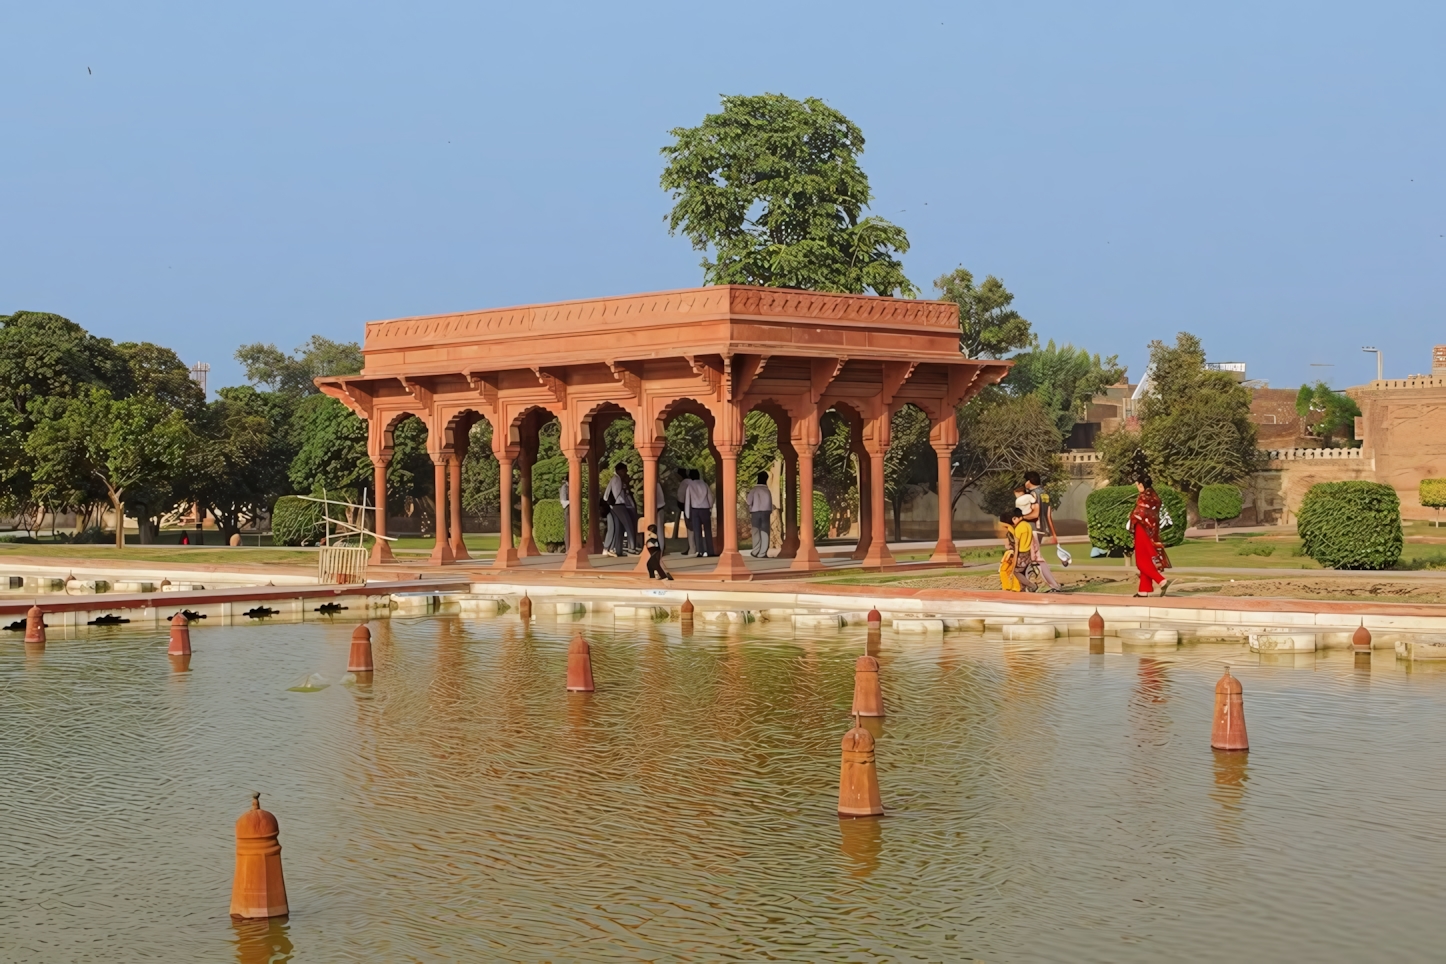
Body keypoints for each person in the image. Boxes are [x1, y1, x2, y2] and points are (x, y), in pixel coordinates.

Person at [1127, 471, 1172, 597]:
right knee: (1146, 559)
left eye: (1137, 484)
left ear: (1141, 485)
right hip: (1152, 531)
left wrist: (1131, 517)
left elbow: (1139, 514)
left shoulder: (1144, 497)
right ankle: (1143, 590)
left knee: (1141, 561)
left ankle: (1161, 581)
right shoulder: (1155, 497)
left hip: (1142, 529)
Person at [1016, 477, 1062, 592]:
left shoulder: (1033, 494)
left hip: (1034, 529)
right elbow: (1048, 515)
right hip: (1041, 528)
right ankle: (1025, 585)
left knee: (1036, 558)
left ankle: (1054, 586)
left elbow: (1035, 513)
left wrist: (1020, 518)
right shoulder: (1044, 494)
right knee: (1030, 558)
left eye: (1026, 480)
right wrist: (1053, 533)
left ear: (1029, 481)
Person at [604, 462, 638, 556]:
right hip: (618, 505)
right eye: (624, 470)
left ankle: (618, 550)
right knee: (629, 526)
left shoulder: (616, 479)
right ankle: (632, 548)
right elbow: (616, 494)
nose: (626, 472)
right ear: (620, 471)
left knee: (619, 528)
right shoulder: (616, 479)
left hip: (615, 506)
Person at [684, 468, 714, 557]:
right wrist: (710, 507)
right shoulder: (704, 484)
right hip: (705, 509)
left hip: (695, 510)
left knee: (697, 531)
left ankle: (700, 551)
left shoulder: (690, 485)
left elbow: (687, 500)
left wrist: (687, 514)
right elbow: (710, 497)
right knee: (708, 531)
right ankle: (710, 551)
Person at [1008, 507, 1039, 591]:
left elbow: (1017, 545)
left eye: (1014, 519)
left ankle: (1032, 586)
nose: (1013, 522)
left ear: (1017, 517)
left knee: (1015, 571)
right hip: (1028, 552)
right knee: (1022, 571)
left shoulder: (1018, 528)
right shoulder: (1028, 525)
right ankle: (1023, 588)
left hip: (1021, 553)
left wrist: (1014, 560)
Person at [746, 471, 773, 558]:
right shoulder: (767, 490)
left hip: (755, 512)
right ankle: (762, 553)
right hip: (766, 512)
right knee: (765, 532)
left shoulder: (754, 490)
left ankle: (755, 551)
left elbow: (748, 501)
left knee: (755, 531)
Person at [998, 510, 1022, 591]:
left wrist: (1011, 552)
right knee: (1005, 571)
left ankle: (1014, 587)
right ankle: (1009, 587)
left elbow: (1016, 543)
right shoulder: (1011, 529)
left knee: (1007, 570)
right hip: (1012, 552)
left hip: (1012, 553)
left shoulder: (1011, 530)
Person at [675, 471, 695, 555]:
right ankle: (692, 547)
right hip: (694, 506)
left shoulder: (684, 483)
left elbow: (680, 496)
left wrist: (681, 505)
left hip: (688, 507)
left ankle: (692, 548)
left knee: (690, 529)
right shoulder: (692, 482)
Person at [559, 466, 571, 554]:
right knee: (568, 529)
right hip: (568, 508)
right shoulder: (564, 487)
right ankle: (568, 548)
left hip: (573, 508)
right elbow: (563, 501)